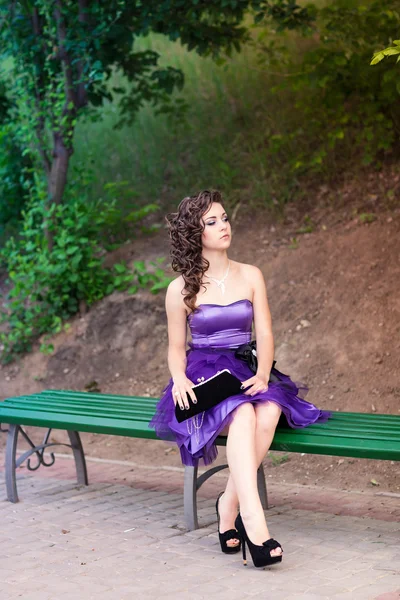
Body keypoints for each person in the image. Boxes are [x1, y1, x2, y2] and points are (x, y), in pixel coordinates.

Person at [150, 189, 331, 568]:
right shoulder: (179, 289)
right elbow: (175, 348)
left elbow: (264, 332)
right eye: (212, 222)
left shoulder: (251, 275)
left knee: (267, 411)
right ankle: (254, 524)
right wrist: (179, 379)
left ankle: (226, 505)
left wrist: (264, 373)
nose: (223, 226)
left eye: (225, 217)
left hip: (246, 366)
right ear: (195, 234)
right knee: (244, 415)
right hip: (203, 372)